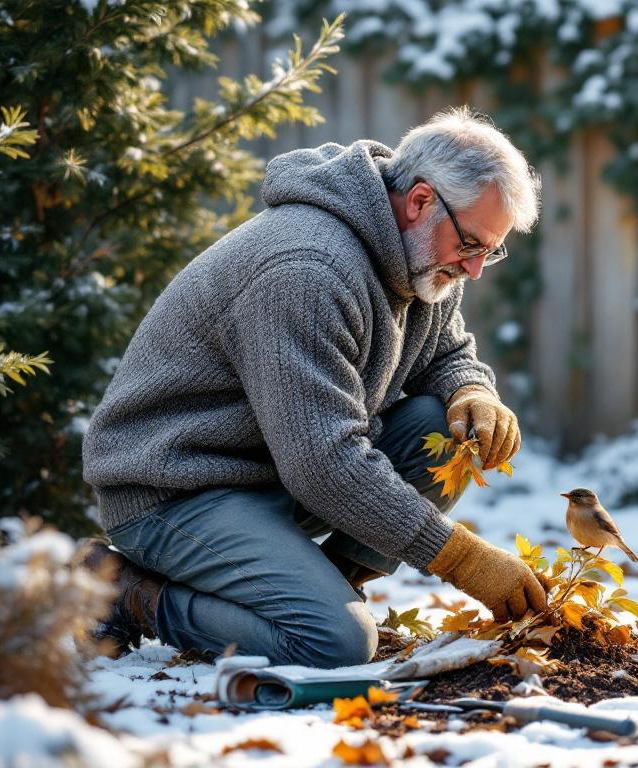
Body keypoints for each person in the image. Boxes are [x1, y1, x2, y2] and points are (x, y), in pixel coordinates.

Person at [79, 107, 548, 667]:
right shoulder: (307, 269)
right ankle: (127, 592)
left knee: (446, 431)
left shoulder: (423, 257)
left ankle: (331, 589)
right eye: (471, 244)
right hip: (176, 488)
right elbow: (324, 463)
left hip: (270, 475)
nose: (474, 269)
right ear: (420, 201)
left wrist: (472, 391)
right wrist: (462, 559)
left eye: (489, 251)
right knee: (335, 643)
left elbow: (445, 353)